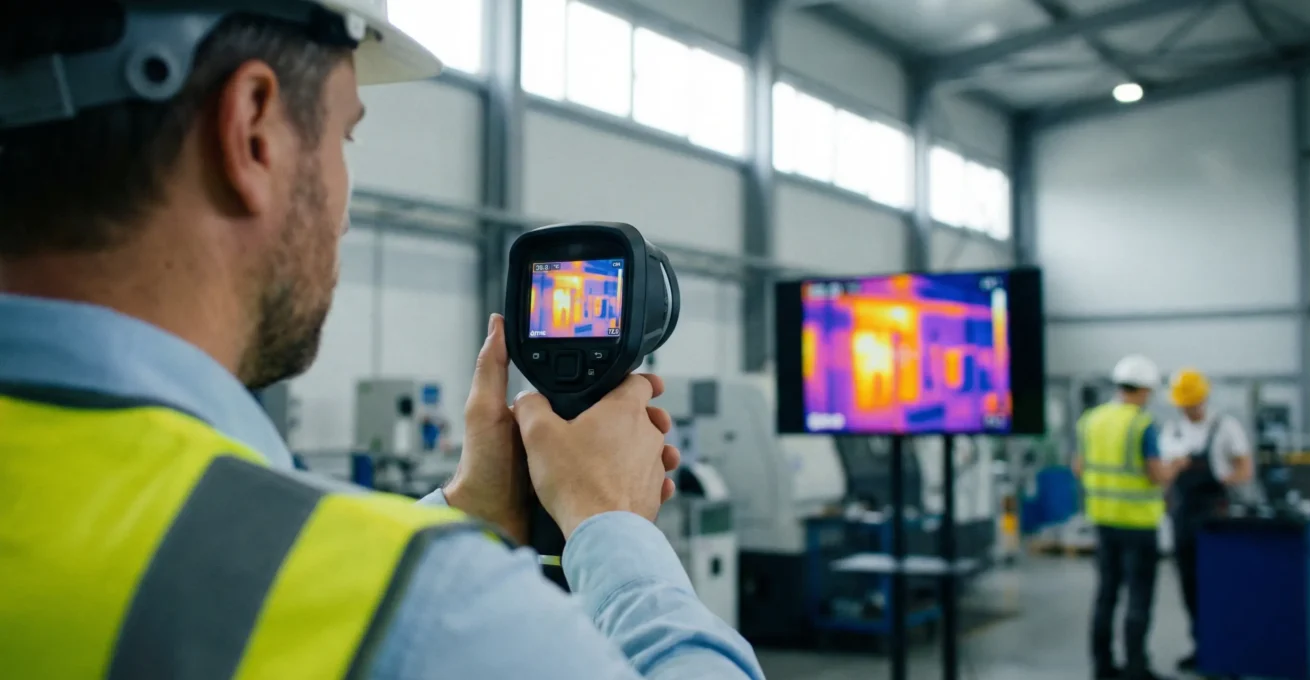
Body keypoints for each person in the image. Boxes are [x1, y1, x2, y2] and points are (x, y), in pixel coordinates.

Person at [0, 3, 764, 679]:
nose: (343, 212)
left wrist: (469, 510)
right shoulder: (431, 617)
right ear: (253, 129)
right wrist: (611, 526)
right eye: (345, 135)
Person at [1075, 355, 1187, 680]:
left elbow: (1079, 467)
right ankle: (1136, 668)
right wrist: (1176, 466)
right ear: (1145, 389)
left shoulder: (1091, 420)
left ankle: (1102, 666)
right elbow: (1156, 474)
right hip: (1138, 524)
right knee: (1138, 597)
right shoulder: (1141, 424)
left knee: (1106, 595)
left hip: (1103, 521)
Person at [1159, 368, 1255, 674]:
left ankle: (1228, 651)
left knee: (1220, 585)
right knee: (1189, 586)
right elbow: (1164, 475)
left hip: (1217, 515)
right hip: (1183, 516)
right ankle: (1202, 648)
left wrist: (1227, 479)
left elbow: (1245, 468)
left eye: (1192, 403)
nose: (1187, 408)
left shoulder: (1225, 426)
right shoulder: (1172, 430)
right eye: (1183, 404)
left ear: (1203, 398)